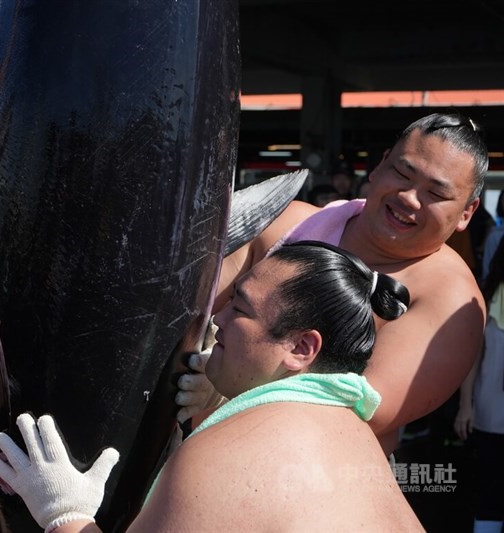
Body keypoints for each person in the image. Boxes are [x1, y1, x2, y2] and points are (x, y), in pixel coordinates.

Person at [0, 241, 423, 532]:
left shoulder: (237, 450)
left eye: (241, 308)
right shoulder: (356, 438)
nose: (219, 319)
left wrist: (66, 514)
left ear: (301, 347)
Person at [179, 112, 489, 457]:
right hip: (179, 449)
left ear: (467, 212)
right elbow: (185, 319)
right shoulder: (284, 223)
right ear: (380, 165)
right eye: (403, 173)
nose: (409, 197)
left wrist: (227, 380)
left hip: (306, 477)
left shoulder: (450, 302)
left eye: (436, 192)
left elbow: (358, 412)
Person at [453, 235, 504, 533]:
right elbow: (472, 357)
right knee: (490, 492)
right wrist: (465, 406)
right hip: (491, 414)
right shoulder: (487, 297)